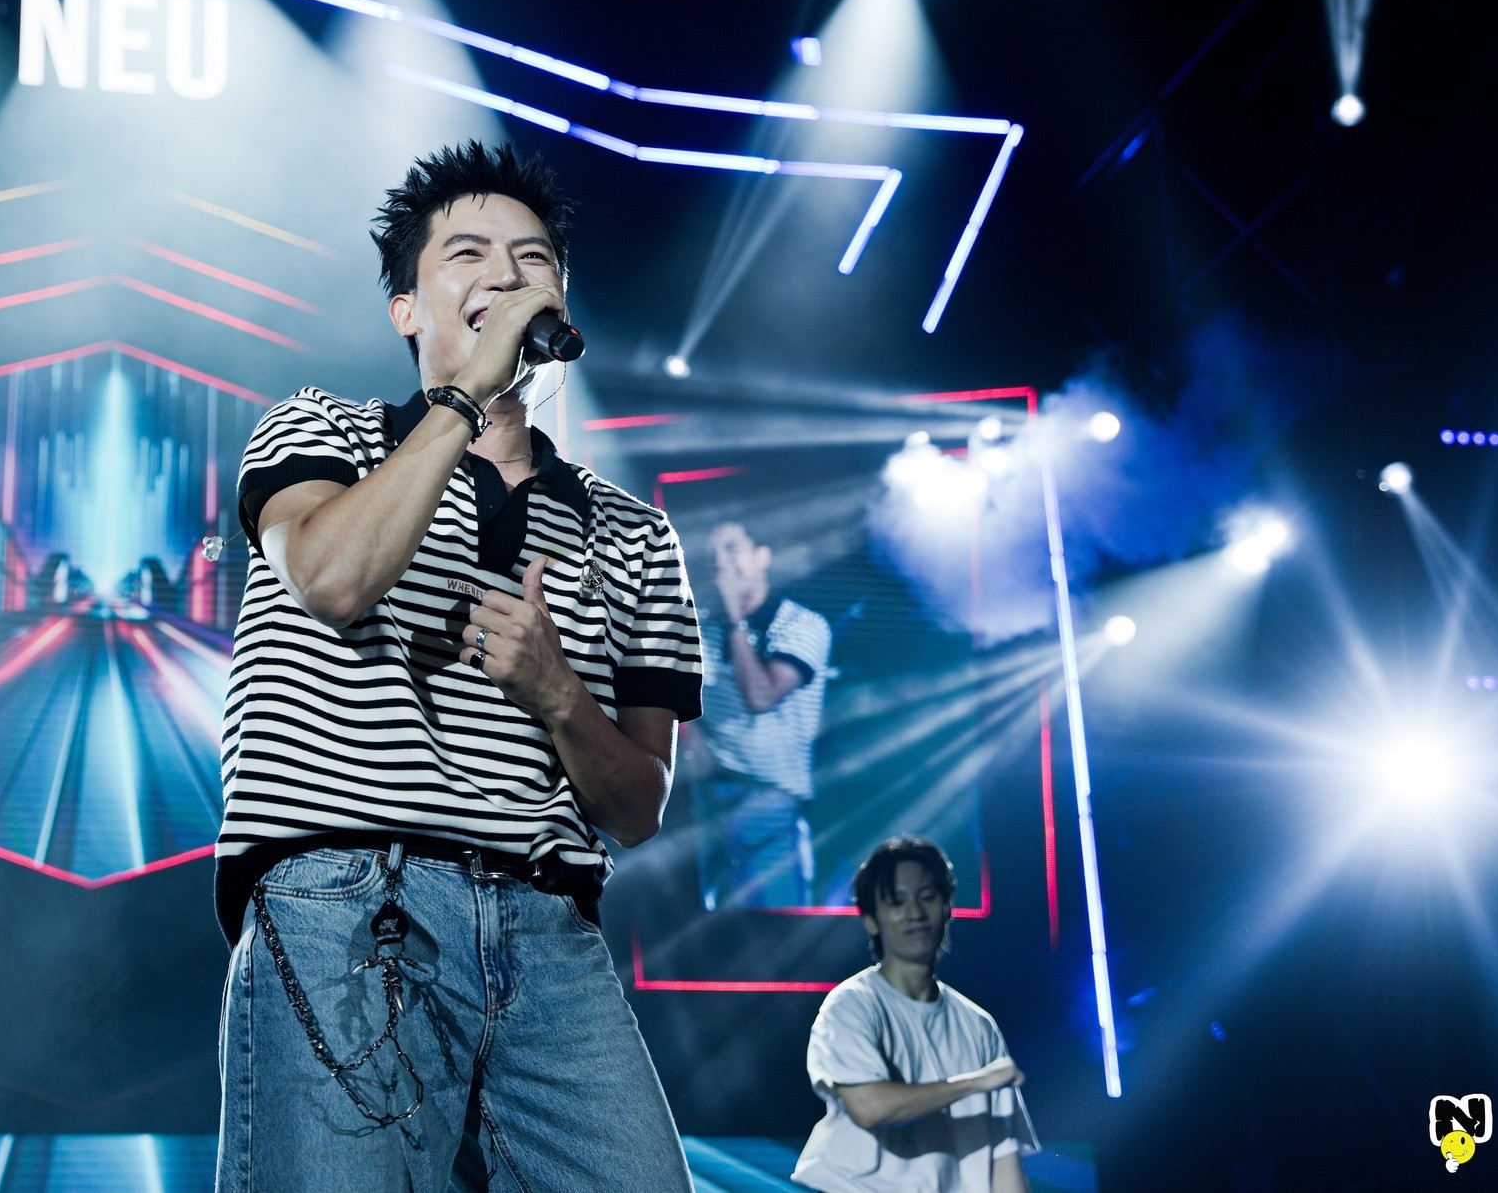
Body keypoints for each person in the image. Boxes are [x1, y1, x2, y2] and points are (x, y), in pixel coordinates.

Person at [215, 141, 705, 1192]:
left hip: (548, 929)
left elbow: (638, 805)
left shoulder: (633, 533)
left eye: (532, 259)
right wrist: (467, 397)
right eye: (468, 253)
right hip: (347, 897)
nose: (506, 275)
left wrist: (555, 691)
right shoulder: (321, 431)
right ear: (406, 307)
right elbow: (333, 578)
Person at [793, 836, 1036, 1193]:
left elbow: (1004, 1161)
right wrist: (977, 1081)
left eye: (927, 897)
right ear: (871, 920)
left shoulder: (979, 1025)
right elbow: (868, 1107)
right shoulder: (851, 1004)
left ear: (947, 906)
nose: (915, 913)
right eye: (896, 901)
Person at [690, 521, 833, 908]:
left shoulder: (803, 625)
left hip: (771, 804)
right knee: (714, 929)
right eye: (713, 555)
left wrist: (735, 618)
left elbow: (761, 695)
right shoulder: (702, 628)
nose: (721, 563)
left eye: (732, 549)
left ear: (763, 556)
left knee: (777, 923)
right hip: (711, 803)